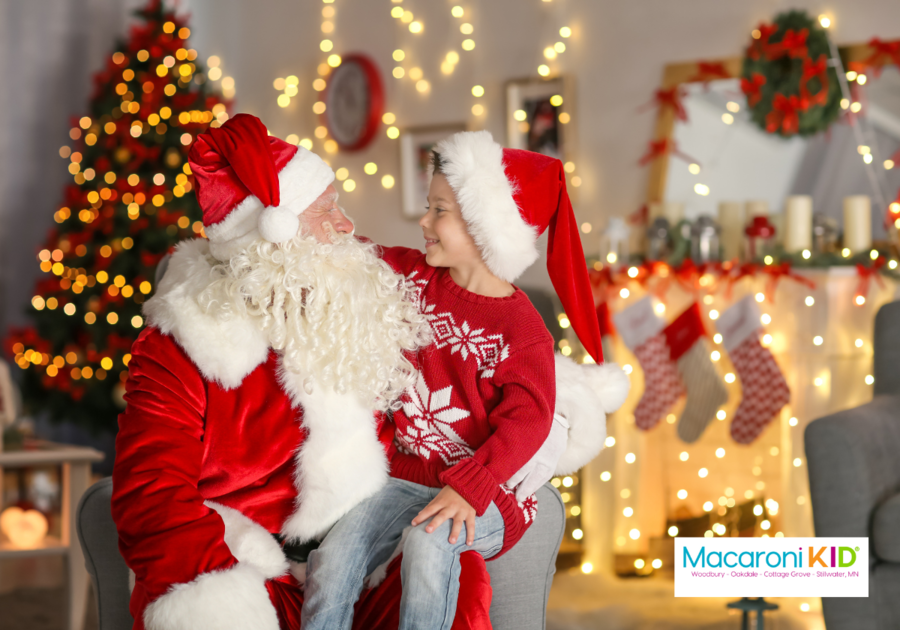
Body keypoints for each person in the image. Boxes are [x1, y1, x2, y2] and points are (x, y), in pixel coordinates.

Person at [111, 114, 501, 630]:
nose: (347, 226)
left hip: (363, 555)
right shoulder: (182, 344)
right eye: (328, 211)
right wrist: (224, 589)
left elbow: (482, 361)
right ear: (277, 232)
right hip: (253, 572)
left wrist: (544, 406)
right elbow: (151, 494)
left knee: (456, 571)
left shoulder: (360, 306)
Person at [300, 130, 630, 630]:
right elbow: (355, 257)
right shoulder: (413, 277)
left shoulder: (523, 333)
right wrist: (312, 225)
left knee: (428, 545)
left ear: (484, 227)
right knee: (335, 556)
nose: (424, 221)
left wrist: (471, 488)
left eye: (439, 211)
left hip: (488, 493)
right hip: (404, 480)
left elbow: (529, 422)